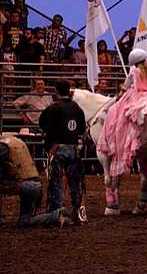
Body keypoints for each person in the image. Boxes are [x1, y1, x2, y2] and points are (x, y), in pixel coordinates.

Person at [97, 48, 147, 213]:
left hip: (135, 97)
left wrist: (122, 90)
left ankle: (116, 143)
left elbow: (125, 88)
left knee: (113, 114)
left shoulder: (133, 70)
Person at [39, 80, 86, 224]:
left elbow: (43, 124)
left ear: (56, 91)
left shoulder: (53, 108)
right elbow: (82, 129)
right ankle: (77, 213)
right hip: (73, 149)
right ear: (69, 91)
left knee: (55, 181)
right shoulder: (77, 108)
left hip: (57, 148)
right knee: (74, 182)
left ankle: (57, 212)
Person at [0, 136, 69, 228]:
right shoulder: (12, 141)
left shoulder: (2, 147)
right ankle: (56, 215)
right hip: (34, 183)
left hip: (26, 185)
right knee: (24, 222)